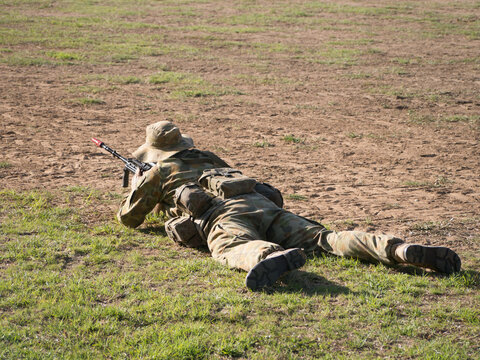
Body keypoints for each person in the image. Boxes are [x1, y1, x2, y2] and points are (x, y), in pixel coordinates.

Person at [117, 121, 462, 290]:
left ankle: (268, 256)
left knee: (230, 247)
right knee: (326, 239)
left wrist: (139, 183)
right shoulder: (209, 157)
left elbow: (129, 218)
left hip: (221, 216)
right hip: (261, 203)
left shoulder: (158, 171)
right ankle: (398, 250)